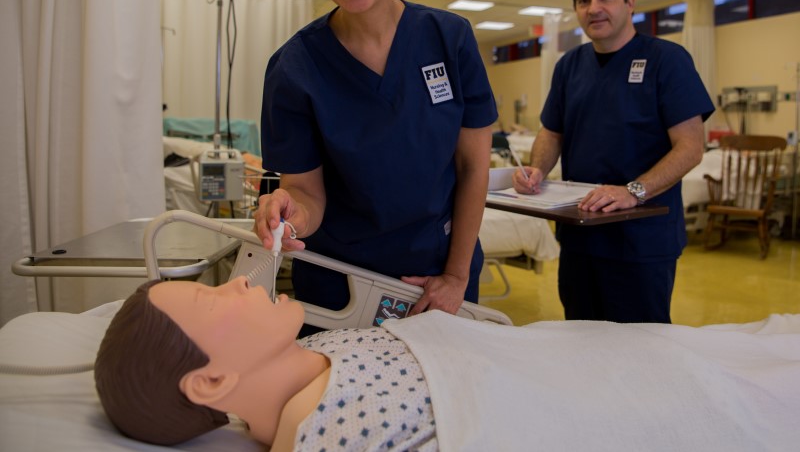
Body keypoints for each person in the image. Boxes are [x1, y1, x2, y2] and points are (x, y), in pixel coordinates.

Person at [94, 278, 800, 451]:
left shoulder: (317, 355)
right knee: (739, 382)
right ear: (213, 381)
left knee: (699, 344)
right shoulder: (331, 437)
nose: (240, 281)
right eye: (214, 296)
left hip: (568, 355)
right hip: (583, 401)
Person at [254, 0, 497, 320]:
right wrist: (290, 216)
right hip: (338, 283)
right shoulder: (294, 68)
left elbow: (472, 166)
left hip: (439, 273)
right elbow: (306, 191)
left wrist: (457, 276)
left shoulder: (449, 39)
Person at [513, 0, 715, 324]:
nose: (594, 8)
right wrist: (536, 170)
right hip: (581, 236)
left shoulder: (667, 61)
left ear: (630, 2)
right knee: (581, 338)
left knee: (640, 350)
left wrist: (632, 191)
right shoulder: (569, 66)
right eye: (584, 0)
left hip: (641, 240)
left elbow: (690, 147)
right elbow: (551, 131)